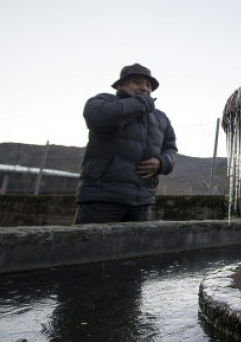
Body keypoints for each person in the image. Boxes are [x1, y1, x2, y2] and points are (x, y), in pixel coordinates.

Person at [73, 63, 177, 224]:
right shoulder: (102, 101)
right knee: (90, 248)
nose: (145, 88)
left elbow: (170, 149)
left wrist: (162, 162)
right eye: (137, 82)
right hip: (102, 198)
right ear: (121, 85)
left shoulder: (161, 118)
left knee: (136, 248)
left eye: (148, 85)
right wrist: (141, 103)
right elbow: (96, 118)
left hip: (142, 201)